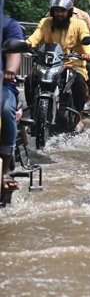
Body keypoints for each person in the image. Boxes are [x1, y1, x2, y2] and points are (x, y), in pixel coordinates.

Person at [26, 0, 90, 133]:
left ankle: (79, 117)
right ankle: (33, 113)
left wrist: (87, 53)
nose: (59, 14)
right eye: (56, 10)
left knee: (79, 81)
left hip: (72, 64)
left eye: (62, 11)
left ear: (69, 11)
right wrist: (26, 45)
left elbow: (88, 40)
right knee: (29, 79)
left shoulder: (80, 24)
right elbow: (36, 36)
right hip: (49, 62)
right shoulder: (46, 23)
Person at [52, 0, 90, 115]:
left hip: (77, 57)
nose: (70, 0)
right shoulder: (51, 15)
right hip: (56, 58)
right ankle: (35, 114)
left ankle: (86, 101)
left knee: (86, 71)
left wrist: (87, 53)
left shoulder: (83, 16)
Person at [1, 15, 24, 192]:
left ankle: (4, 169)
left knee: (6, 108)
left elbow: (14, 53)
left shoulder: (9, 24)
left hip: (3, 85)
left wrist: (10, 70)